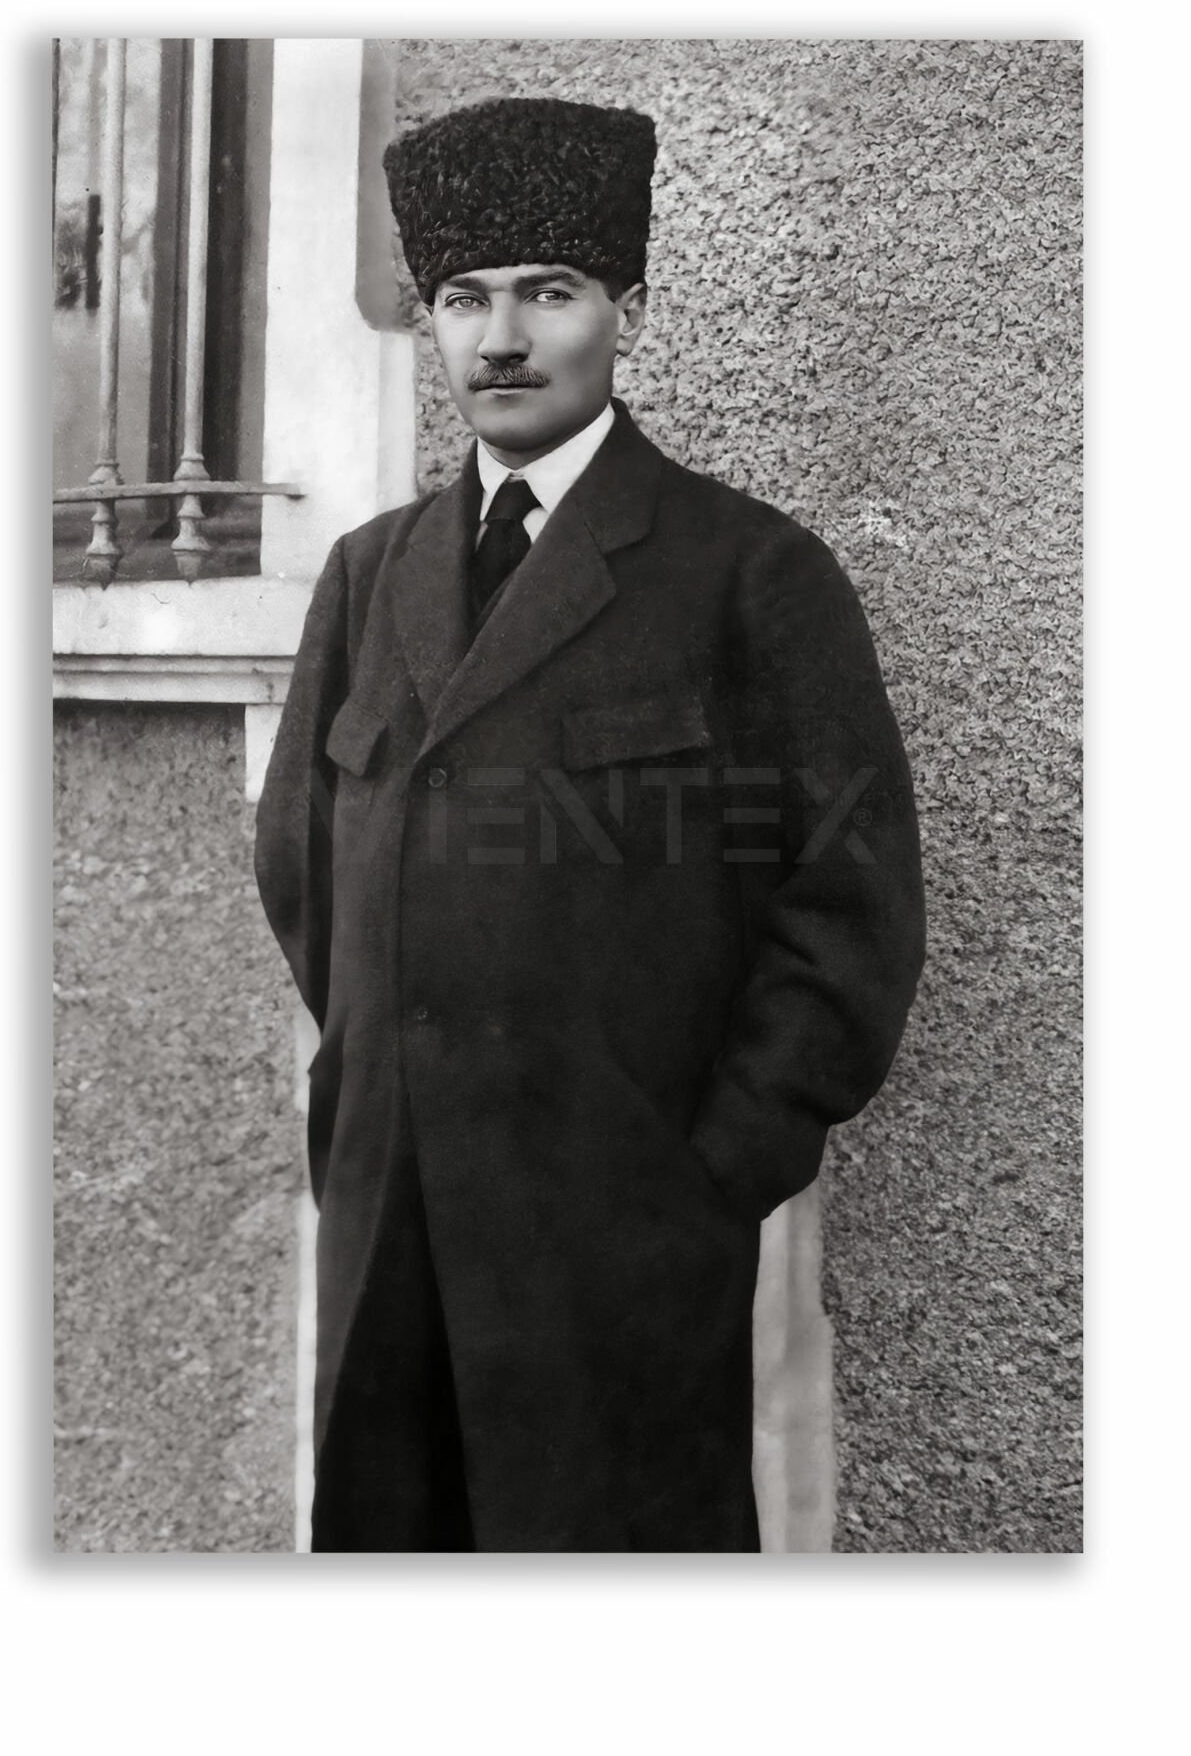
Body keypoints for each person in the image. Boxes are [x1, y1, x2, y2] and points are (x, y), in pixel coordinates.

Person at [254, 96, 925, 1552]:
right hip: (390, 1223)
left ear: (628, 308)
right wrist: (388, 1079)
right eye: (463, 299)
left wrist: (709, 1171)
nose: (500, 339)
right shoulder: (370, 576)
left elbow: (848, 912)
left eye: (547, 294)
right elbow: (301, 866)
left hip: (618, 1242)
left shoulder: (748, 575)